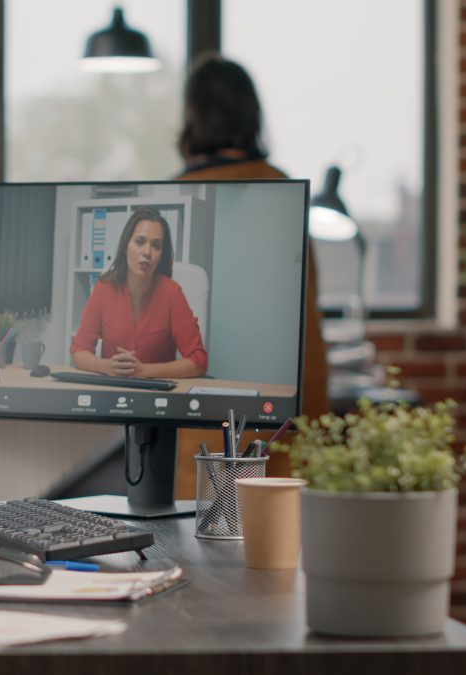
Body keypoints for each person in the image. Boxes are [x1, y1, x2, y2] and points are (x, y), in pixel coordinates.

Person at [174, 53, 330, 488]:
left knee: (205, 513)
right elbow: (309, 299)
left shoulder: (180, 191)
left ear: (193, 116)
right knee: (283, 516)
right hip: (292, 391)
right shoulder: (282, 185)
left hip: (208, 398)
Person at [70, 207, 208, 379]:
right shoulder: (104, 289)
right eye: (139, 242)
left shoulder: (172, 293)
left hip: (157, 391)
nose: (147, 252)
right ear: (126, 246)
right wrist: (107, 367)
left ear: (161, 254)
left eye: (156, 246)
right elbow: (79, 350)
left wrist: (144, 371)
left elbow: (198, 361)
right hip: (113, 387)